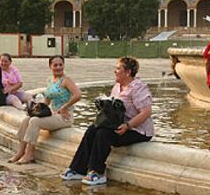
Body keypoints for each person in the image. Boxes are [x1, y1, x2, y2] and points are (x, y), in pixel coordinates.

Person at [61, 57, 154, 186]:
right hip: (118, 124)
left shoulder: (138, 88)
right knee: (92, 129)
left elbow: (146, 112)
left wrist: (128, 125)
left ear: (128, 72)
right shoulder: (117, 86)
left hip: (138, 130)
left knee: (103, 134)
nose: (115, 71)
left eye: (118, 69)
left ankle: (97, 172)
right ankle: (77, 169)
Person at [9, 55, 82, 164]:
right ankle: (20, 151)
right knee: (27, 119)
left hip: (64, 116)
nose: (58, 67)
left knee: (34, 122)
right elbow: (47, 99)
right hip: (53, 114)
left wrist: (64, 107)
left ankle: (30, 153)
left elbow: (78, 94)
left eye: (60, 64)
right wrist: (39, 107)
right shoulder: (50, 80)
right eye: (55, 65)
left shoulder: (66, 80)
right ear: (50, 66)